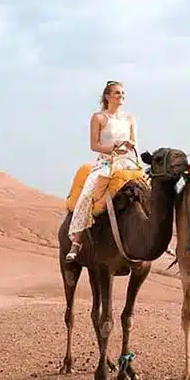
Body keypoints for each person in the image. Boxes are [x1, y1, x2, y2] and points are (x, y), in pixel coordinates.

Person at [65, 80, 141, 262]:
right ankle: (77, 241)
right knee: (88, 193)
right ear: (107, 96)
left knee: (149, 191)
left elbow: (134, 142)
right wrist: (113, 147)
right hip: (106, 162)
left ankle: (158, 239)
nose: (120, 96)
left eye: (122, 93)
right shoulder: (98, 118)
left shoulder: (130, 118)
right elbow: (94, 145)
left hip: (128, 162)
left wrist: (129, 145)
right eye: (116, 93)